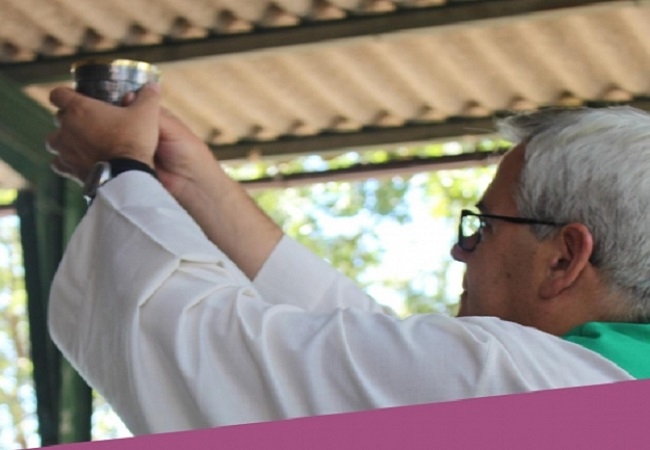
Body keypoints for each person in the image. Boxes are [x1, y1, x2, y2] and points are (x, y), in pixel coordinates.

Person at [46, 83, 650, 436]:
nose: (459, 250)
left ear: (564, 258)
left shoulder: (518, 385)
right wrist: (199, 189)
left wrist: (118, 168)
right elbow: (368, 360)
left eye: (483, 228)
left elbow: (192, 349)